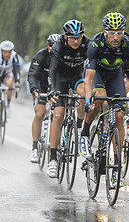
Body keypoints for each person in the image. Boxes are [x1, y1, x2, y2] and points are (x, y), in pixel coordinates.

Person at [81, 12, 129, 187]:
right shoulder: (95, 44)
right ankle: (85, 133)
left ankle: (116, 168)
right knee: (99, 97)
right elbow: (88, 79)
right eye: (112, 33)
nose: (116, 37)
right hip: (97, 75)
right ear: (104, 32)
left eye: (119, 32)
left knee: (118, 116)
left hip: (115, 75)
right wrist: (88, 100)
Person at [47, 20, 89, 178]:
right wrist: (51, 90)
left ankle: (78, 124)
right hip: (61, 79)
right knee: (58, 116)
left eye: (79, 37)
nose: (76, 41)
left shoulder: (87, 44)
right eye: (72, 38)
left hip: (77, 77)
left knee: (85, 94)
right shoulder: (58, 45)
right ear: (65, 36)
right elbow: (51, 70)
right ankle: (52, 159)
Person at [28, 34, 60, 163]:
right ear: (48, 47)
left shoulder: (63, 56)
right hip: (42, 88)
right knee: (40, 113)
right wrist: (34, 89)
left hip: (56, 88)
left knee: (58, 117)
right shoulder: (41, 55)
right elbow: (32, 75)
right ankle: (35, 147)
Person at [0, 40, 20, 134]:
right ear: (1, 51)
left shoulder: (14, 56)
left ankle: (7, 104)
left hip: (7, 75)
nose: (7, 54)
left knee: (10, 83)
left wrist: (17, 83)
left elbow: (16, 71)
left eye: (9, 52)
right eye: (5, 52)